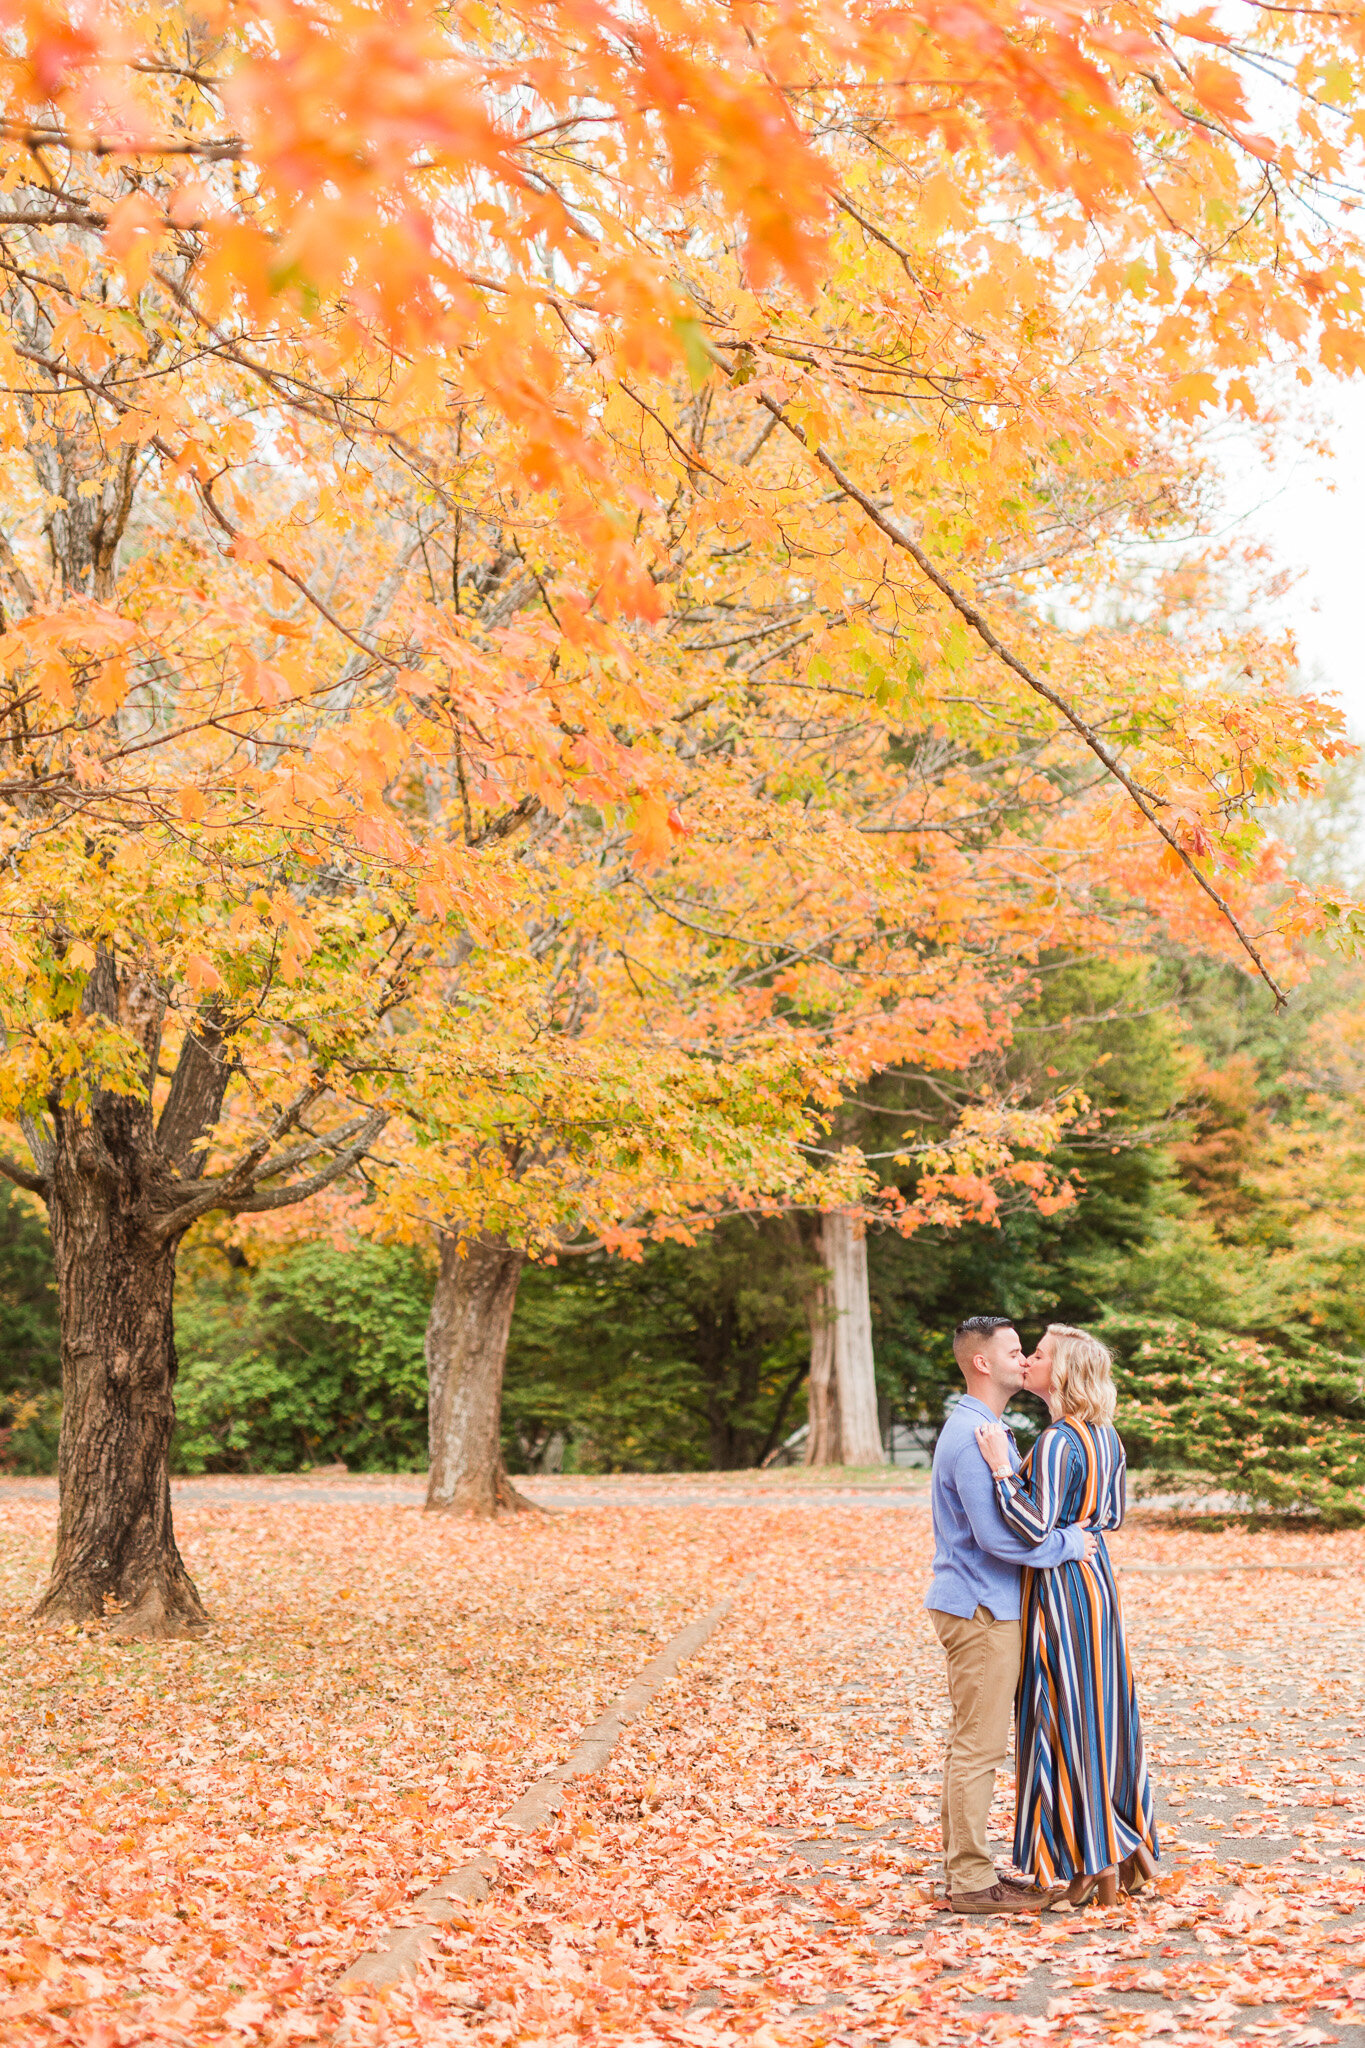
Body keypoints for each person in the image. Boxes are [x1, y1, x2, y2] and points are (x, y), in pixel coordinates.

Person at [974, 1323, 1159, 1908]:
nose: (1028, 1359)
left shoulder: (1058, 1440)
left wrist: (1003, 1469)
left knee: (1063, 1713)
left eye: (1041, 1354)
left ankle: (1086, 1858)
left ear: (1065, 1371)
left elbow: (1032, 1527)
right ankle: (1117, 1853)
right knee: (1100, 1711)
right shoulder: (1108, 1437)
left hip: (1058, 1589)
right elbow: (1112, 1518)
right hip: (1097, 1582)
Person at [926, 1315, 1097, 1916]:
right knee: (979, 1747)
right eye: (1015, 1351)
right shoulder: (972, 1434)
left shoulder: (990, 1427)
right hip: (980, 1608)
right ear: (982, 1363)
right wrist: (1070, 1546)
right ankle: (971, 1883)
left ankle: (964, 1869)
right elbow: (998, 1538)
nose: (1024, 1361)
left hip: (989, 1605)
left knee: (974, 1743)